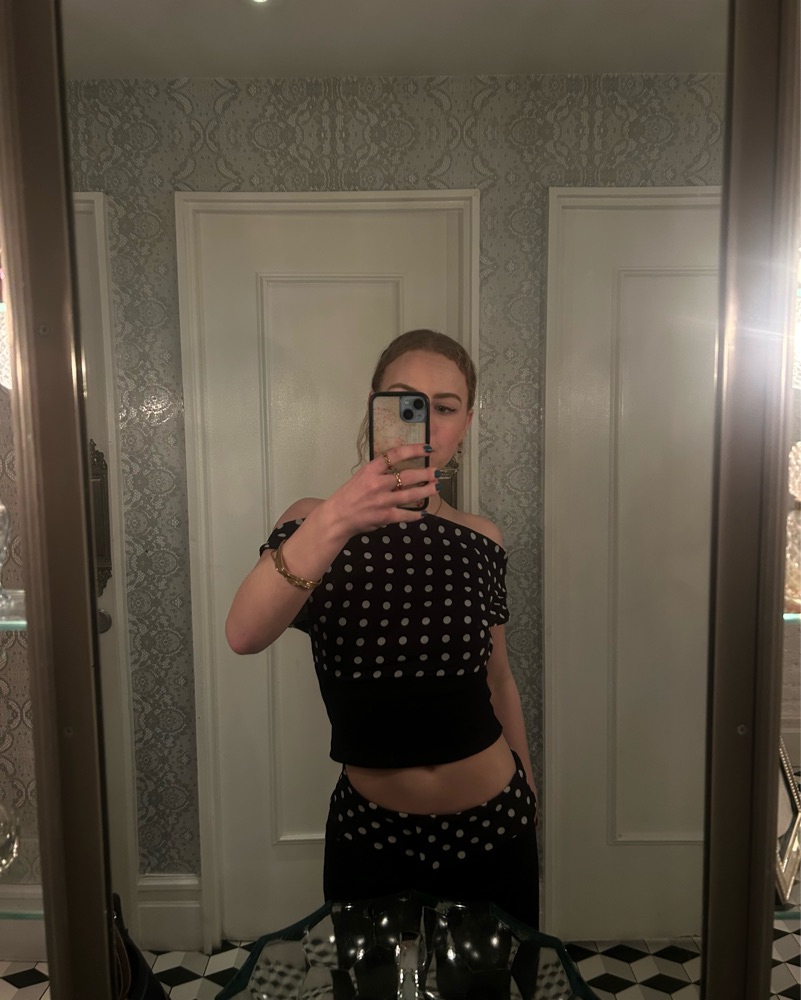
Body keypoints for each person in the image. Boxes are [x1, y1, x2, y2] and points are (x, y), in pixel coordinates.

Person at [225, 329, 540, 928]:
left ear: (466, 424)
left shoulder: (482, 538)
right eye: (405, 402)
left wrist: (528, 784)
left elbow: (498, 677)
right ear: (373, 407)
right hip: (371, 834)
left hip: (495, 822)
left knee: (494, 981)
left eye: (445, 407)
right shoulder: (314, 521)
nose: (425, 423)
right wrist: (341, 516)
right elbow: (244, 632)